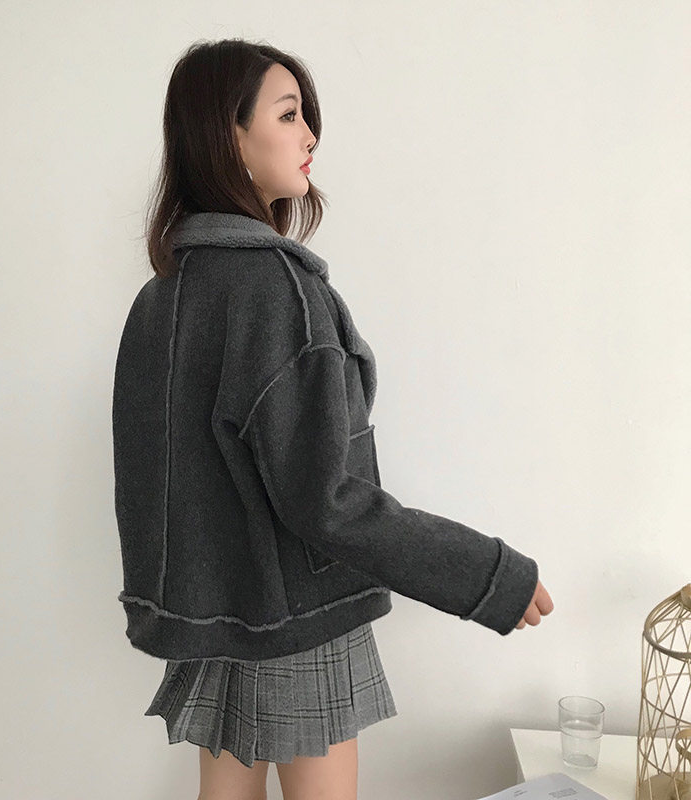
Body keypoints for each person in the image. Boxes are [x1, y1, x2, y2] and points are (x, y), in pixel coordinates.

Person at [112, 37, 554, 800]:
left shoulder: (161, 297)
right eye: (288, 114)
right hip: (298, 618)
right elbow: (328, 501)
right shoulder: (277, 292)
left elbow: (148, 489)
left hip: (217, 621)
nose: (310, 133)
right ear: (229, 137)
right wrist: (487, 576)